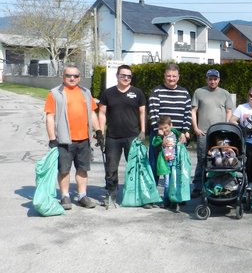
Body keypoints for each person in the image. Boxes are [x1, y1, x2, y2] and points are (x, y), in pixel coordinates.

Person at [44, 64, 101, 210]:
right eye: (69, 75)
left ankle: (82, 196)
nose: (72, 78)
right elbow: (50, 117)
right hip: (64, 140)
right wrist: (52, 138)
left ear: (79, 77)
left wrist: (99, 131)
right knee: (64, 170)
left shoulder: (86, 92)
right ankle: (65, 196)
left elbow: (93, 113)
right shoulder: (55, 93)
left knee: (83, 169)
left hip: (84, 139)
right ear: (63, 76)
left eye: (75, 75)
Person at [98, 64, 146, 207]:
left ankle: (137, 194)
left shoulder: (138, 93)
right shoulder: (108, 93)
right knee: (111, 168)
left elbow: (143, 112)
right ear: (117, 76)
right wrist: (100, 132)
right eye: (123, 75)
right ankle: (111, 193)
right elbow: (101, 113)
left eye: (129, 76)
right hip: (113, 137)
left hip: (133, 136)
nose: (126, 78)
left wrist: (143, 131)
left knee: (135, 167)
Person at [191, 68, 234, 198]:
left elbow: (229, 111)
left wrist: (226, 126)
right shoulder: (199, 92)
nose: (212, 81)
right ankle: (198, 186)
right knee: (202, 159)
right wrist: (195, 128)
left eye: (215, 79)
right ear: (207, 79)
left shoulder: (225, 93)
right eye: (210, 79)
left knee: (221, 159)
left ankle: (220, 184)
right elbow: (193, 111)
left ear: (219, 80)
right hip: (203, 132)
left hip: (220, 133)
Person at [148, 63, 191, 184]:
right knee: (155, 164)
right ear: (164, 76)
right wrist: (160, 134)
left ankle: (174, 195)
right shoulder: (157, 91)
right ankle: (152, 194)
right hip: (160, 134)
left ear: (178, 77)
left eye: (174, 76)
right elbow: (153, 113)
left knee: (176, 166)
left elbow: (187, 114)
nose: (171, 78)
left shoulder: (184, 93)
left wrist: (184, 132)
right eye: (168, 76)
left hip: (177, 135)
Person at [151, 115, 182, 209]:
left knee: (175, 182)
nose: (164, 130)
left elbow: (179, 134)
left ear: (171, 125)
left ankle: (175, 200)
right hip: (165, 163)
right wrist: (160, 137)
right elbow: (154, 143)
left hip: (175, 162)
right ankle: (166, 201)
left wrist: (183, 135)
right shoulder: (160, 136)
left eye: (166, 127)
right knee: (167, 183)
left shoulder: (174, 133)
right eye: (161, 128)